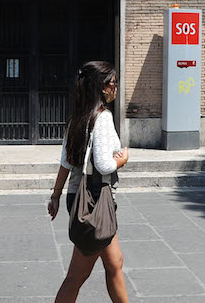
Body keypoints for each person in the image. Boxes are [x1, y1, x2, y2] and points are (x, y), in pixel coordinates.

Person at [48, 61, 129, 303]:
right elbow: (104, 165)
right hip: (94, 202)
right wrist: (123, 159)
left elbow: (66, 162)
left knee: (115, 263)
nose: (116, 88)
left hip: (82, 198)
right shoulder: (102, 117)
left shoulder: (78, 116)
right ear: (101, 87)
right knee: (77, 275)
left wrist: (55, 195)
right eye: (113, 83)